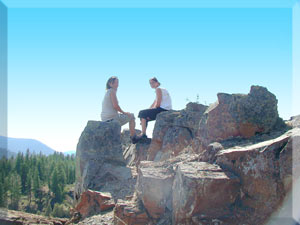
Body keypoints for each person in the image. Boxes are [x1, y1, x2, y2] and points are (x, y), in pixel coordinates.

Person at [101, 76, 138, 143]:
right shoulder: (112, 91)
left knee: (127, 115)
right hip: (112, 118)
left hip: (105, 119)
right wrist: (124, 113)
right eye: (115, 82)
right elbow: (116, 106)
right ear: (110, 84)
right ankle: (133, 137)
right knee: (132, 116)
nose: (117, 84)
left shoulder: (107, 92)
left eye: (118, 82)